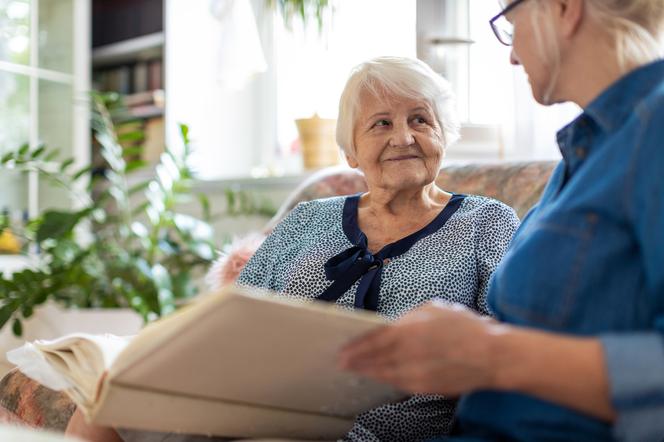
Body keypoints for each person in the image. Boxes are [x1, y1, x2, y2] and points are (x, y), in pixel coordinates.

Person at [65, 56, 520, 442]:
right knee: (101, 405)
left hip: (377, 428)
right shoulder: (309, 218)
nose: (403, 137)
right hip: (256, 403)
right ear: (351, 151)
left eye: (420, 119)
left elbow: (502, 347)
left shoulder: (486, 221)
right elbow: (230, 318)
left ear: (444, 134)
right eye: (381, 123)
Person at [338, 1, 664, 441]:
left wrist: (491, 353)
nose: (512, 55)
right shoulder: (586, 151)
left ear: (564, 9)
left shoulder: (654, 130)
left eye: (511, 25)